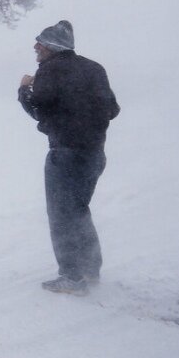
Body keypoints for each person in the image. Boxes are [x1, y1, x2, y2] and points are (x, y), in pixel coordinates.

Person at [18, 20, 120, 296]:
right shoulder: (94, 68)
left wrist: (24, 89)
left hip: (65, 154)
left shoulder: (50, 71)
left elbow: (38, 110)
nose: (35, 47)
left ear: (52, 47)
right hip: (94, 154)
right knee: (78, 210)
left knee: (62, 215)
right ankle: (90, 269)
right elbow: (113, 110)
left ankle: (72, 277)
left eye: (40, 43)